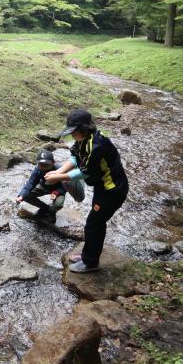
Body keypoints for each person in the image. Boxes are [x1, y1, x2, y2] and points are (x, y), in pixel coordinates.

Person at [44, 109, 129, 273]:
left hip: (112, 191)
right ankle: (87, 255)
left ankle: (90, 262)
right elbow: (75, 158)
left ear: (83, 129)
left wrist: (59, 178)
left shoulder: (97, 146)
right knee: (94, 222)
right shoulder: (83, 140)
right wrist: (59, 172)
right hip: (102, 188)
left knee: (94, 224)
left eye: (73, 132)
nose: (72, 136)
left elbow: (85, 173)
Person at [15, 150, 67, 223]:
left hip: (58, 189)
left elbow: (67, 186)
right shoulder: (37, 169)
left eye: (46, 165)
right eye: (41, 164)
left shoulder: (61, 169)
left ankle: (51, 212)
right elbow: (31, 183)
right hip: (44, 186)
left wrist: (57, 192)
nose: (43, 167)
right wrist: (21, 195)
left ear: (53, 163)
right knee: (25, 196)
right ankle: (44, 208)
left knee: (58, 204)